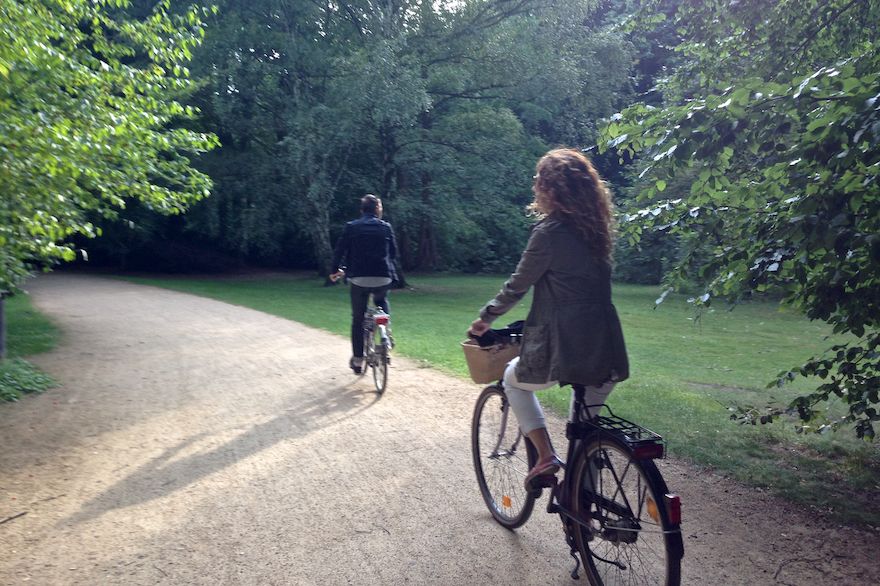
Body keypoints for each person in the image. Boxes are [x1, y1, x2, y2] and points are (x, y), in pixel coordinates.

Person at [468, 148, 629, 491]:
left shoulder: (549, 233)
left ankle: (545, 456)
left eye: (539, 181)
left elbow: (518, 285)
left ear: (550, 189)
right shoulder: (596, 231)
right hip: (605, 344)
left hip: (566, 346)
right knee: (585, 429)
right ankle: (585, 506)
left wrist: (486, 318)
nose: (535, 187)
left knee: (512, 379)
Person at [330, 194, 398, 374]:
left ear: (362, 210)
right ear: (377, 209)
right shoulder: (386, 228)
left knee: (358, 319)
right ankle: (386, 334)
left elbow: (340, 250)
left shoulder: (352, 227)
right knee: (381, 301)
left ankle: (358, 360)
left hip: (359, 279)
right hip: (383, 277)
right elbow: (393, 254)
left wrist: (335, 269)